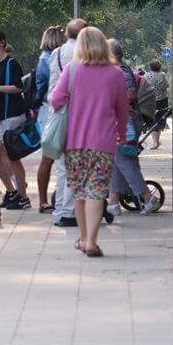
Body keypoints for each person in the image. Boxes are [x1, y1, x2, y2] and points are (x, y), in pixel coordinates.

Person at [49, 27, 128, 257]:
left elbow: (55, 100)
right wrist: (121, 133)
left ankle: (83, 239)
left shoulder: (72, 70)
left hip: (74, 142)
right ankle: (92, 241)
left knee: (79, 192)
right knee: (97, 191)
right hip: (103, 142)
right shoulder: (115, 74)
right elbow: (122, 109)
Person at [106, 38, 160, 216]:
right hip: (124, 121)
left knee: (123, 160)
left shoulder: (120, 71)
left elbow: (130, 95)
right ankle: (113, 202)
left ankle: (147, 197)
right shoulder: (119, 70)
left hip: (125, 122)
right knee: (119, 160)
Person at [0, 29, 30, 210]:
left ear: (2, 42)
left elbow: (19, 87)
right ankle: (11, 191)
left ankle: (23, 196)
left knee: (11, 155)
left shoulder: (11, 63)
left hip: (13, 114)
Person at [45, 18, 87, 227]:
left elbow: (53, 90)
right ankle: (72, 210)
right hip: (83, 115)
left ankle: (61, 209)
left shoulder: (57, 53)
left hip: (61, 113)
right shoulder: (87, 54)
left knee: (61, 165)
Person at [33, 25, 67, 212]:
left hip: (48, 111)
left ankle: (47, 199)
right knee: (49, 156)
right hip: (51, 112)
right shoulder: (50, 59)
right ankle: (44, 200)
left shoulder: (45, 58)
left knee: (50, 157)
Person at [143, 59, 170, 149]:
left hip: (150, 101)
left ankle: (155, 142)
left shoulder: (146, 75)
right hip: (162, 101)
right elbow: (167, 85)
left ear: (150, 67)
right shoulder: (163, 75)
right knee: (159, 120)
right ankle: (156, 142)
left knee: (151, 120)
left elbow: (143, 86)